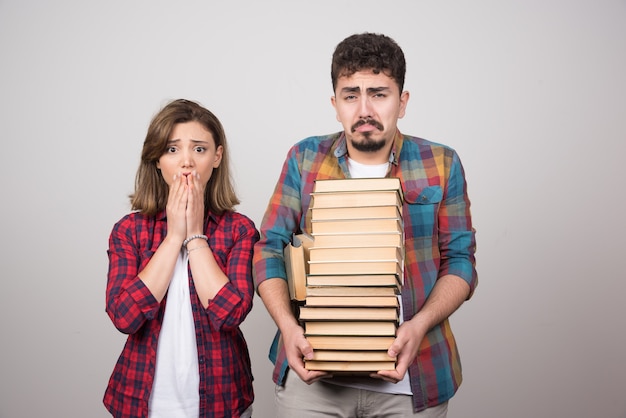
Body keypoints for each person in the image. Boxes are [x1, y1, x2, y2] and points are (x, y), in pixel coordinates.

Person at [253, 33, 477, 417]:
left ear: (402, 102)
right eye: (351, 94)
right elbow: (268, 248)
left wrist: (419, 324)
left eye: (379, 93)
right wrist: (289, 328)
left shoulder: (442, 163)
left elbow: (460, 262)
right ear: (335, 103)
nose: (364, 109)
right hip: (314, 381)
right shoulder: (304, 158)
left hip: (412, 380)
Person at [103, 99, 259, 418]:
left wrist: (195, 234)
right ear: (157, 159)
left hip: (222, 401)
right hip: (140, 402)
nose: (186, 162)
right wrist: (174, 236)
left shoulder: (239, 230)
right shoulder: (129, 231)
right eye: (172, 150)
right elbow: (124, 317)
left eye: (199, 149)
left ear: (216, 157)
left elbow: (229, 313)